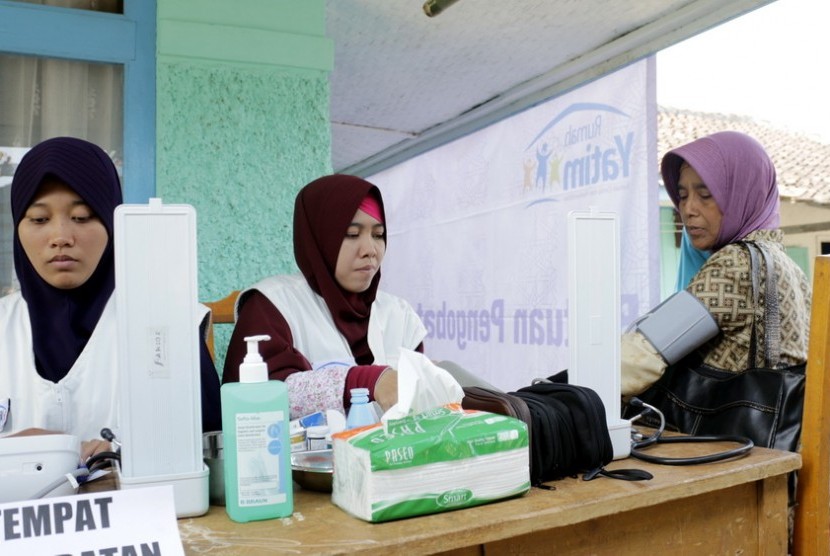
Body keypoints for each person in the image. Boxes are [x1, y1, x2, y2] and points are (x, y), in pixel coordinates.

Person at [0, 136, 221, 459]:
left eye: (82, 217)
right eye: (39, 219)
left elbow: (207, 450)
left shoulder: (166, 325)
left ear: (112, 223)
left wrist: (122, 455)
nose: (61, 237)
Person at [621, 131, 811, 398]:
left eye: (706, 194)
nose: (688, 209)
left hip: (727, 437)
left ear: (742, 194)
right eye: (683, 195)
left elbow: (637, 357)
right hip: (776, 436)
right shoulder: (788, 265)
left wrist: (558, 395)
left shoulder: (736, 262)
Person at [223, 174, 427, 419]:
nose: (370, 251)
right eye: (352, 234)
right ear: (318, 238)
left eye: (378, 234)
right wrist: (366, 380)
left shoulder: (399, 315)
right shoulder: (272, 305)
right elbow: (253, 402)